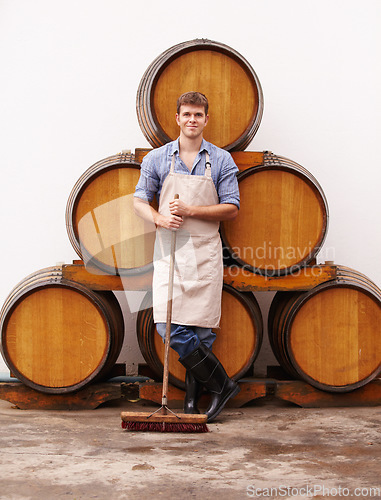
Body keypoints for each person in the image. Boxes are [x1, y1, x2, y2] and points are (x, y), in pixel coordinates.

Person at [134, 91, 240, 422]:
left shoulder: (221, 160)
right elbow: (138, 201)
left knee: (203, 329)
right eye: (186, 114)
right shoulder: (157, 159)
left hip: (205, 248)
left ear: (206, 119)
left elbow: (232, 208)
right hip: (170, 248)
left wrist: (191, 209)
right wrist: (160, 218)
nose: (192, 120)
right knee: (167, 325)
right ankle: (223, 384)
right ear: (177, 119)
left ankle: (192, 403)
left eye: (198, 114)